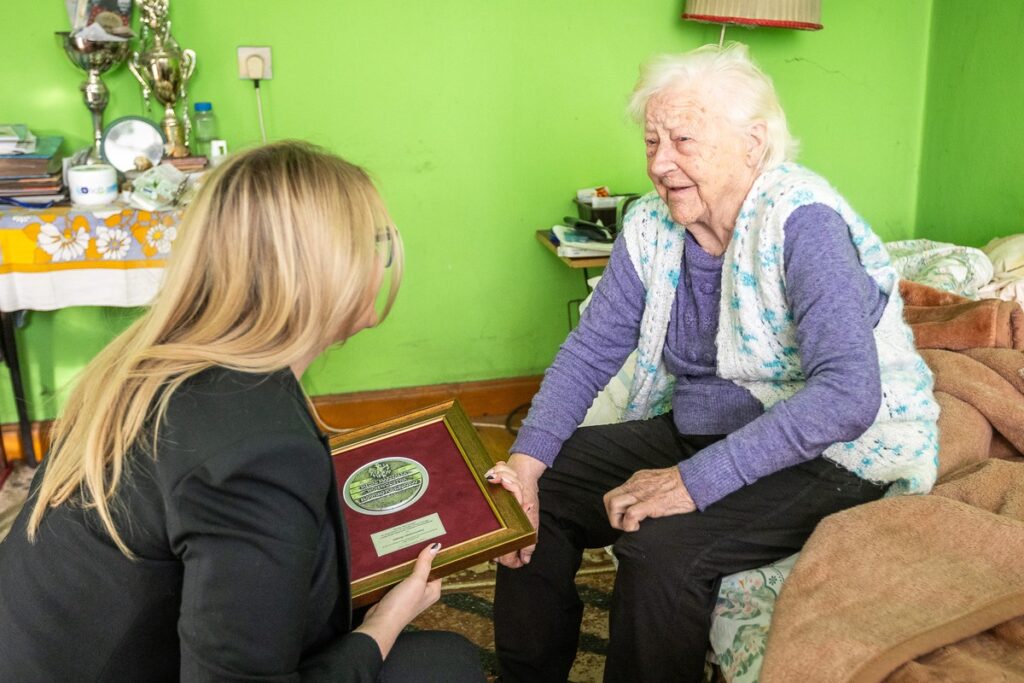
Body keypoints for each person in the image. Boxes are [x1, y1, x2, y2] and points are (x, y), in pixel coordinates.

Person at [486, 43, 940, 682]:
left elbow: (847, 396)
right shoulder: (650, 226)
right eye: (651, 142)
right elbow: (590, 349)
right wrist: (525, 463)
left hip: (837, 453)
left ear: (753, 143)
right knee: (546, 488)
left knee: (659, 549)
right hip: (708, 426)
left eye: (683, 141)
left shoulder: (801, 221)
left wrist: (690, 482)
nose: (660, 163)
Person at [0, 141, 484, 683]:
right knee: (444, 663)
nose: (380, 258)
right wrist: (381, 628)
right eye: (372, 241)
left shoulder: (153, 363)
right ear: (325, 266)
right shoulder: (258, 450)